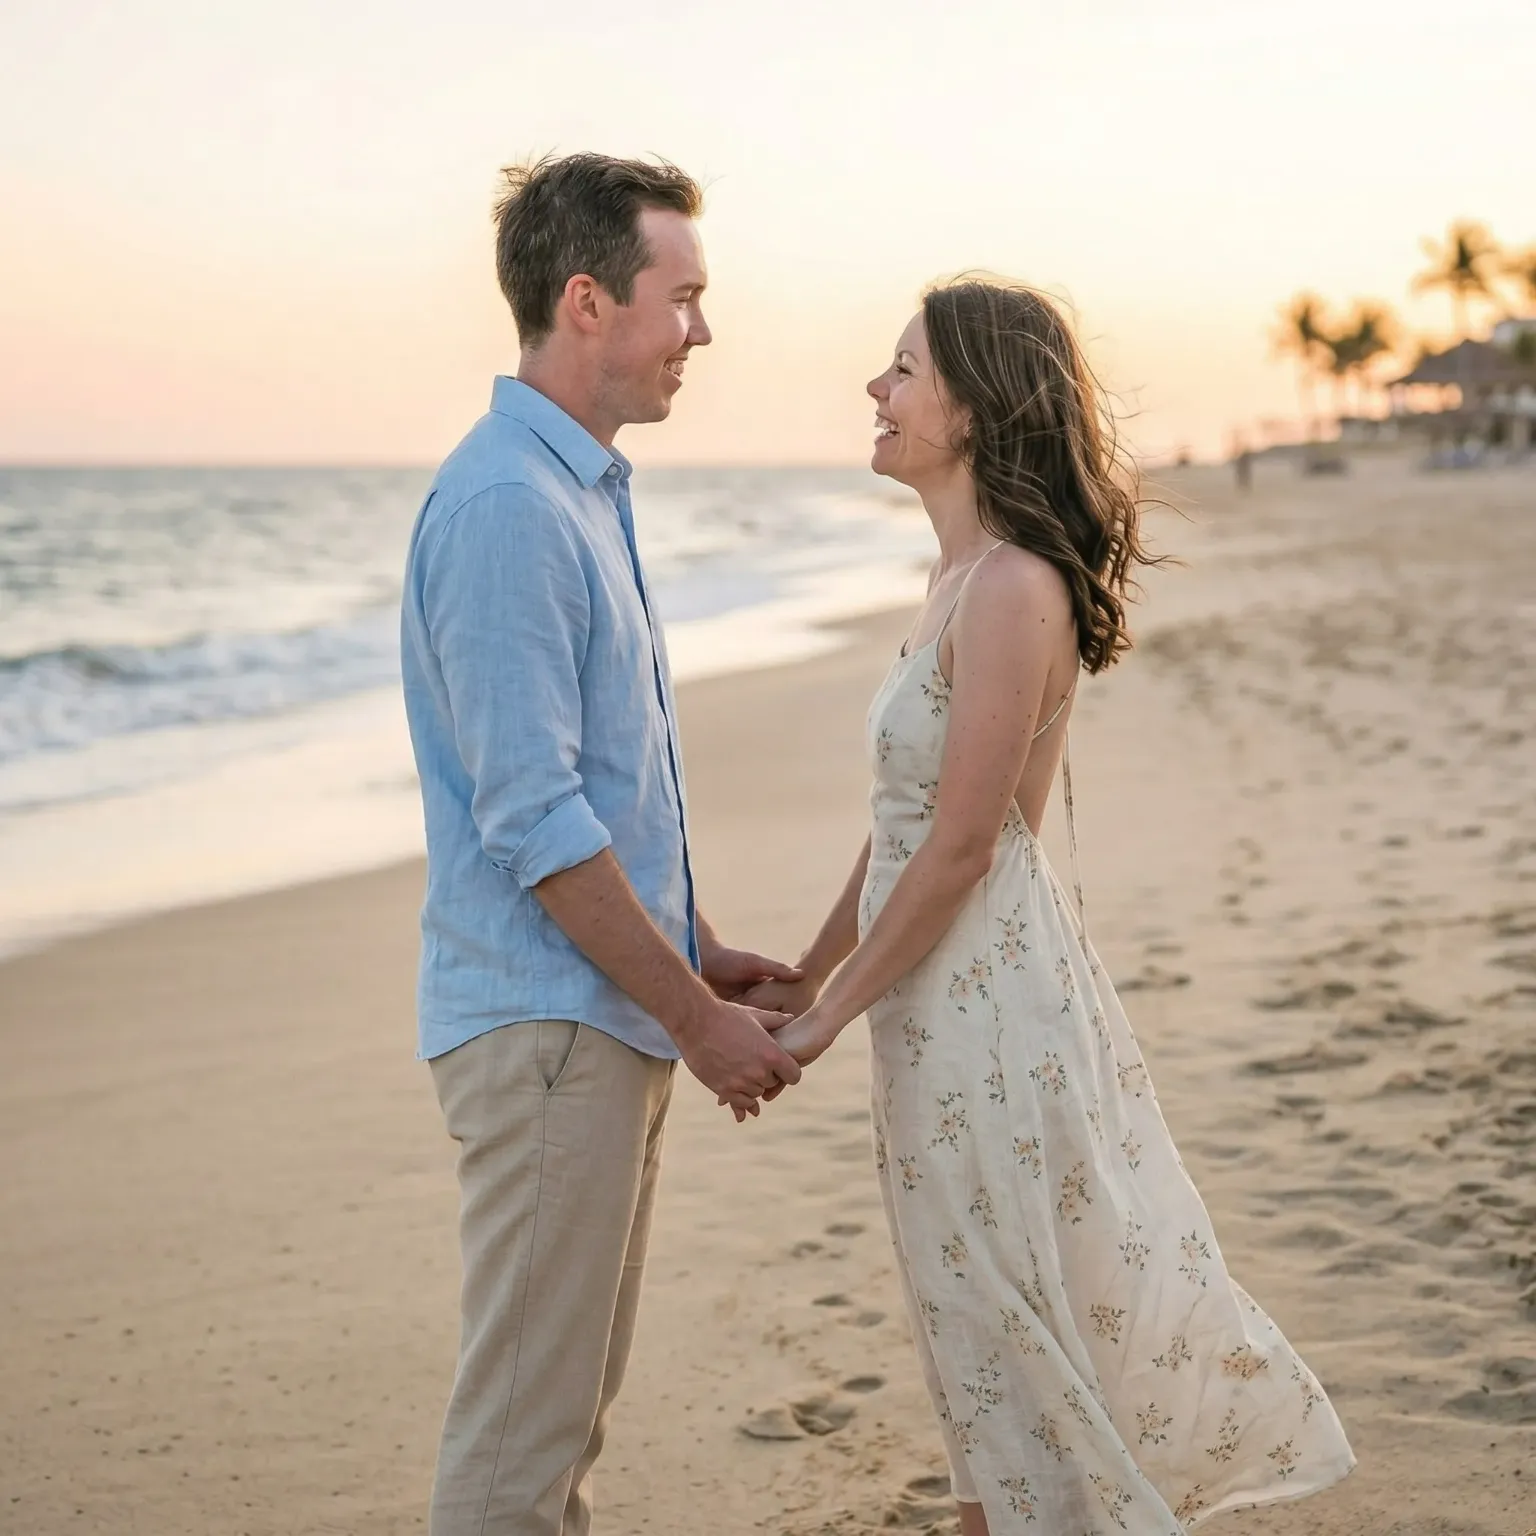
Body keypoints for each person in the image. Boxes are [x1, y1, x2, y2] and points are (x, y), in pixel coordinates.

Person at [743, 280, 1355, 1533]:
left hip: (982, 1009)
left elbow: (968, 845)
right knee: (980, 1337)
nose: (876, 390)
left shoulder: (1014, 586)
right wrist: (810, 976)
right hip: (936, 1003)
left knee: (1006, 1329)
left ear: (972, 408)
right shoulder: (957, 579)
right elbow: (909, 824)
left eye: (903, 369)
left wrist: (819, 1028)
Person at [399, 153, 802, 1536]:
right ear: (587, 300)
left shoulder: (577, 490)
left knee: (557, 1430)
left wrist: (694, 950)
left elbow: (594, 786)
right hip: (550, 1028)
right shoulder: (513, 504)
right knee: (519, 1451)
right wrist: (692, 1015)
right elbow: (534, 818)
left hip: (596, 1012)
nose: (701, 330)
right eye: (682, 297)